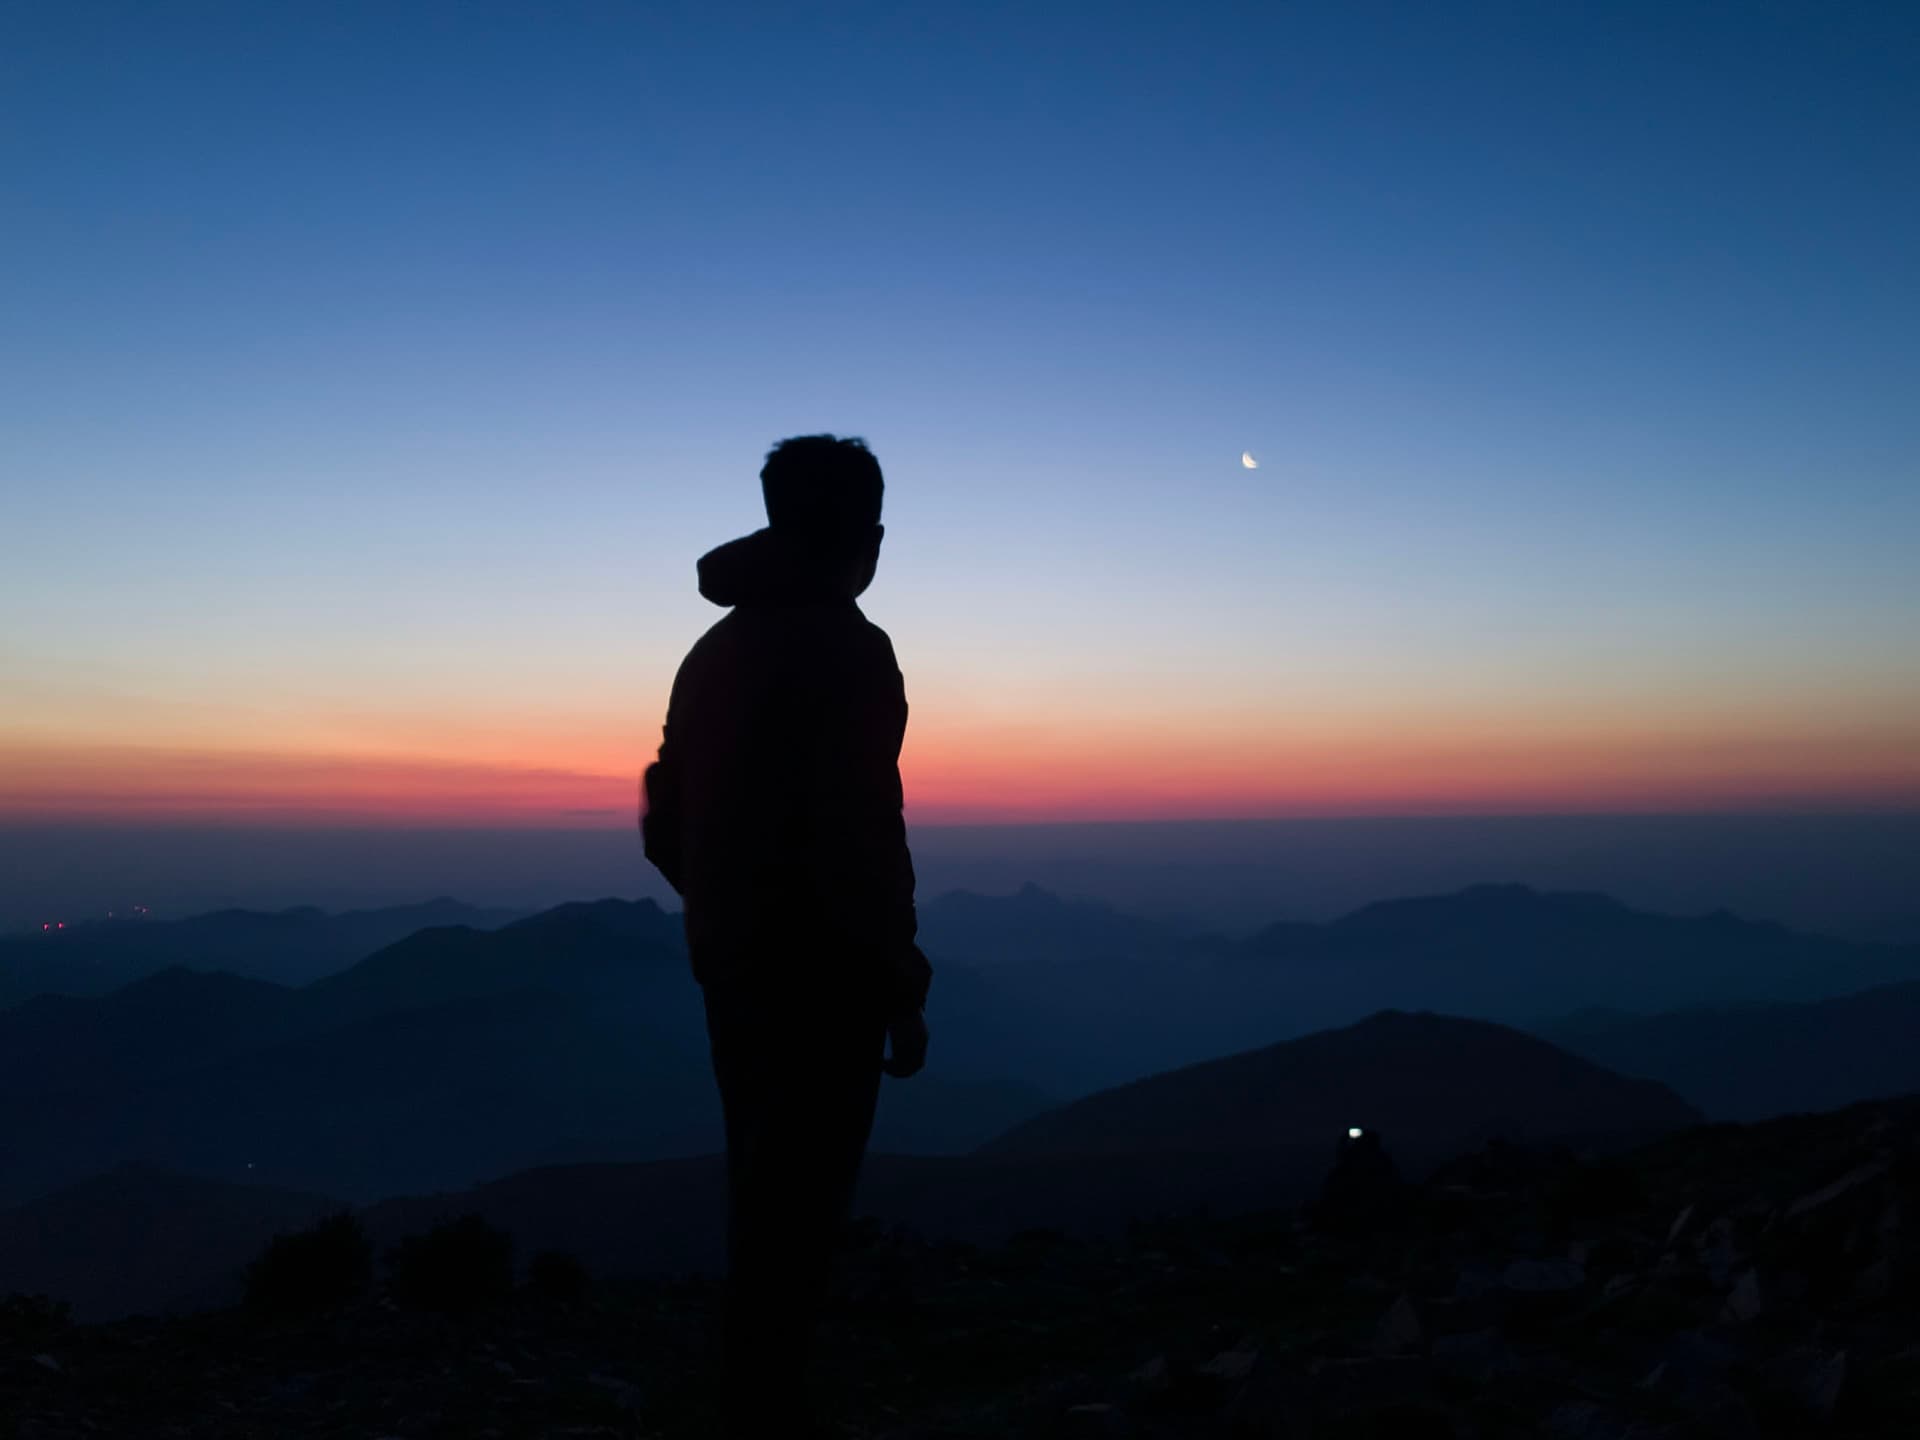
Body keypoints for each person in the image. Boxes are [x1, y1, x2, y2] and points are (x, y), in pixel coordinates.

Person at [641, 434, 931, 1436]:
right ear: (866, 531)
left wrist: (725, 898)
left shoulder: (715, 651)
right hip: (828, 975)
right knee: (804, 1202)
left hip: (734, 966)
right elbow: (863, 834)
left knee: (763, 1189)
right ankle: (771, 1407)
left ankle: (754, 1394)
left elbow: (664, 816)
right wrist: (900, 983)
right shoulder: (850, 649)